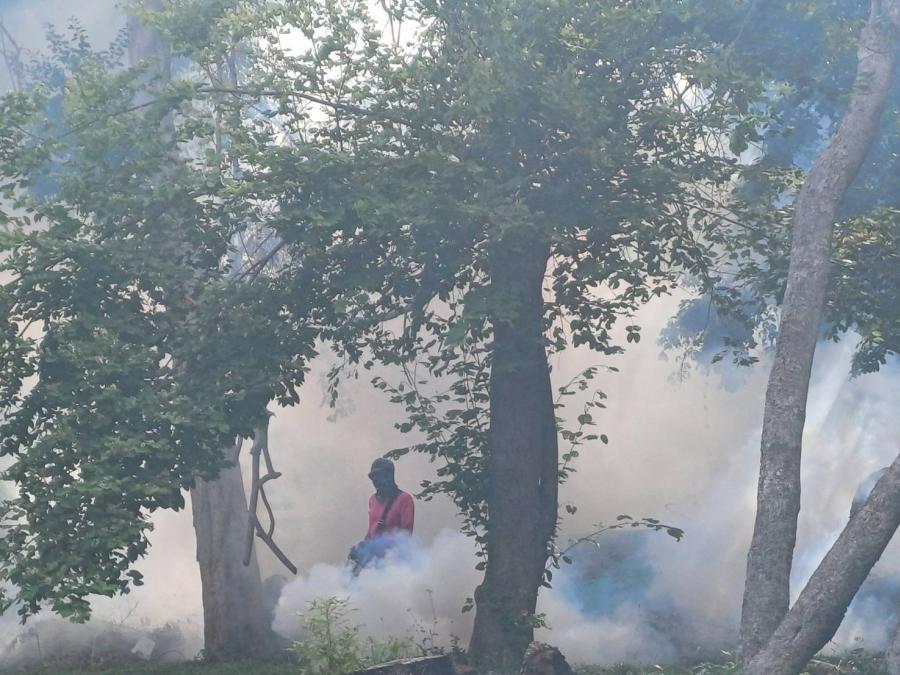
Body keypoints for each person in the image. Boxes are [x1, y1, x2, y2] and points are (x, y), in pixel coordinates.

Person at [348, 458, 414, 574]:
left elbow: (405, 535)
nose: (374, 480)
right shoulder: (372, 500)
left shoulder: (404, 499)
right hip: (373, 559)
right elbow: (371, 532)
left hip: (393, 560)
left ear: (389, 476)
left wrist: (381, 547)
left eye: (378, 475)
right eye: (372, 477)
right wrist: (361, 548)